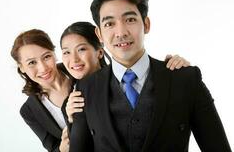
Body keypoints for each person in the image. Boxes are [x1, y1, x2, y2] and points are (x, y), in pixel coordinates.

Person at [69, 0, 231, 151]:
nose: (121, 32)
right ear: (99, 34)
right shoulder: (86, 88)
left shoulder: (185, 79)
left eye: (130, 19)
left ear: (146, 24)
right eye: (109, 24)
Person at [60, 21, 190, 124]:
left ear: (100, 52)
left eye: (81, 49)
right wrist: (73, 120)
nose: (74, 59)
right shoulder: (71, 103)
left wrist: (176, 70)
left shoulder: (131, 76)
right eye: (66, 52)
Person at [11, 29, 74, 152]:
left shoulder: (77, 71)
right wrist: (62, 149)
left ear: (54, 54)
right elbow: (52, 147)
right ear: (21, 67)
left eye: (46, 57)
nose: (43, 68)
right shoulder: (29, 111)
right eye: (32, 63)